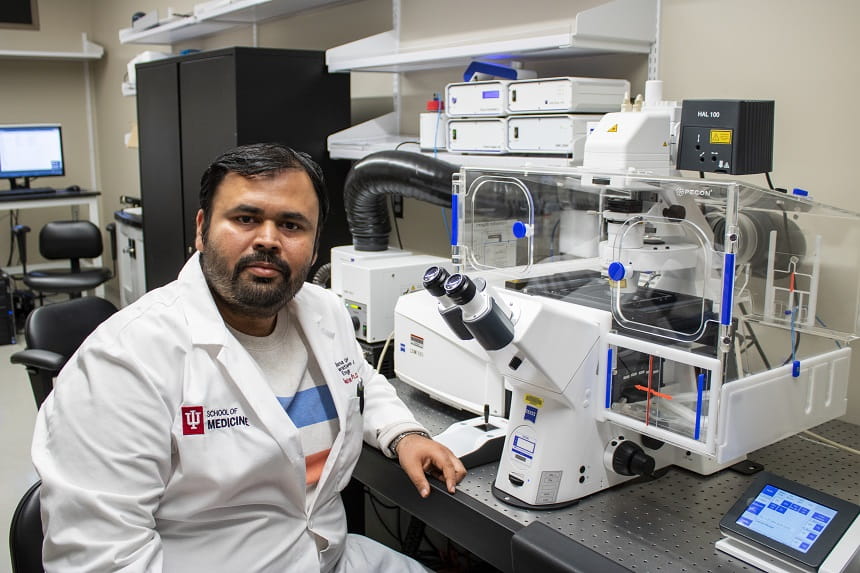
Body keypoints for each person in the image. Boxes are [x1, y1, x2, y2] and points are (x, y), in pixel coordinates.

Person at [31, 143, 467, 572]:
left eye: (292, 226)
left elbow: (360, 380)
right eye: (245, 218)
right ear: (202, 230)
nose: (268, 240)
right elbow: (101, 559)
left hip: (334, 558)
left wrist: (402, 434)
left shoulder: (324, 310)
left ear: (315, 248)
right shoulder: (124, 361)